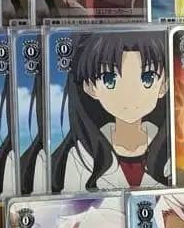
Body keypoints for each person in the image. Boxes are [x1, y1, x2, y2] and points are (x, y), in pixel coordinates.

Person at [51, 32, 170, 192]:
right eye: (109, 79)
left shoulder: (174, 151)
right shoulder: (80, 156)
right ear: (90, 87)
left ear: (164, 85)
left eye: (148, 78)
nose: (130, 94)